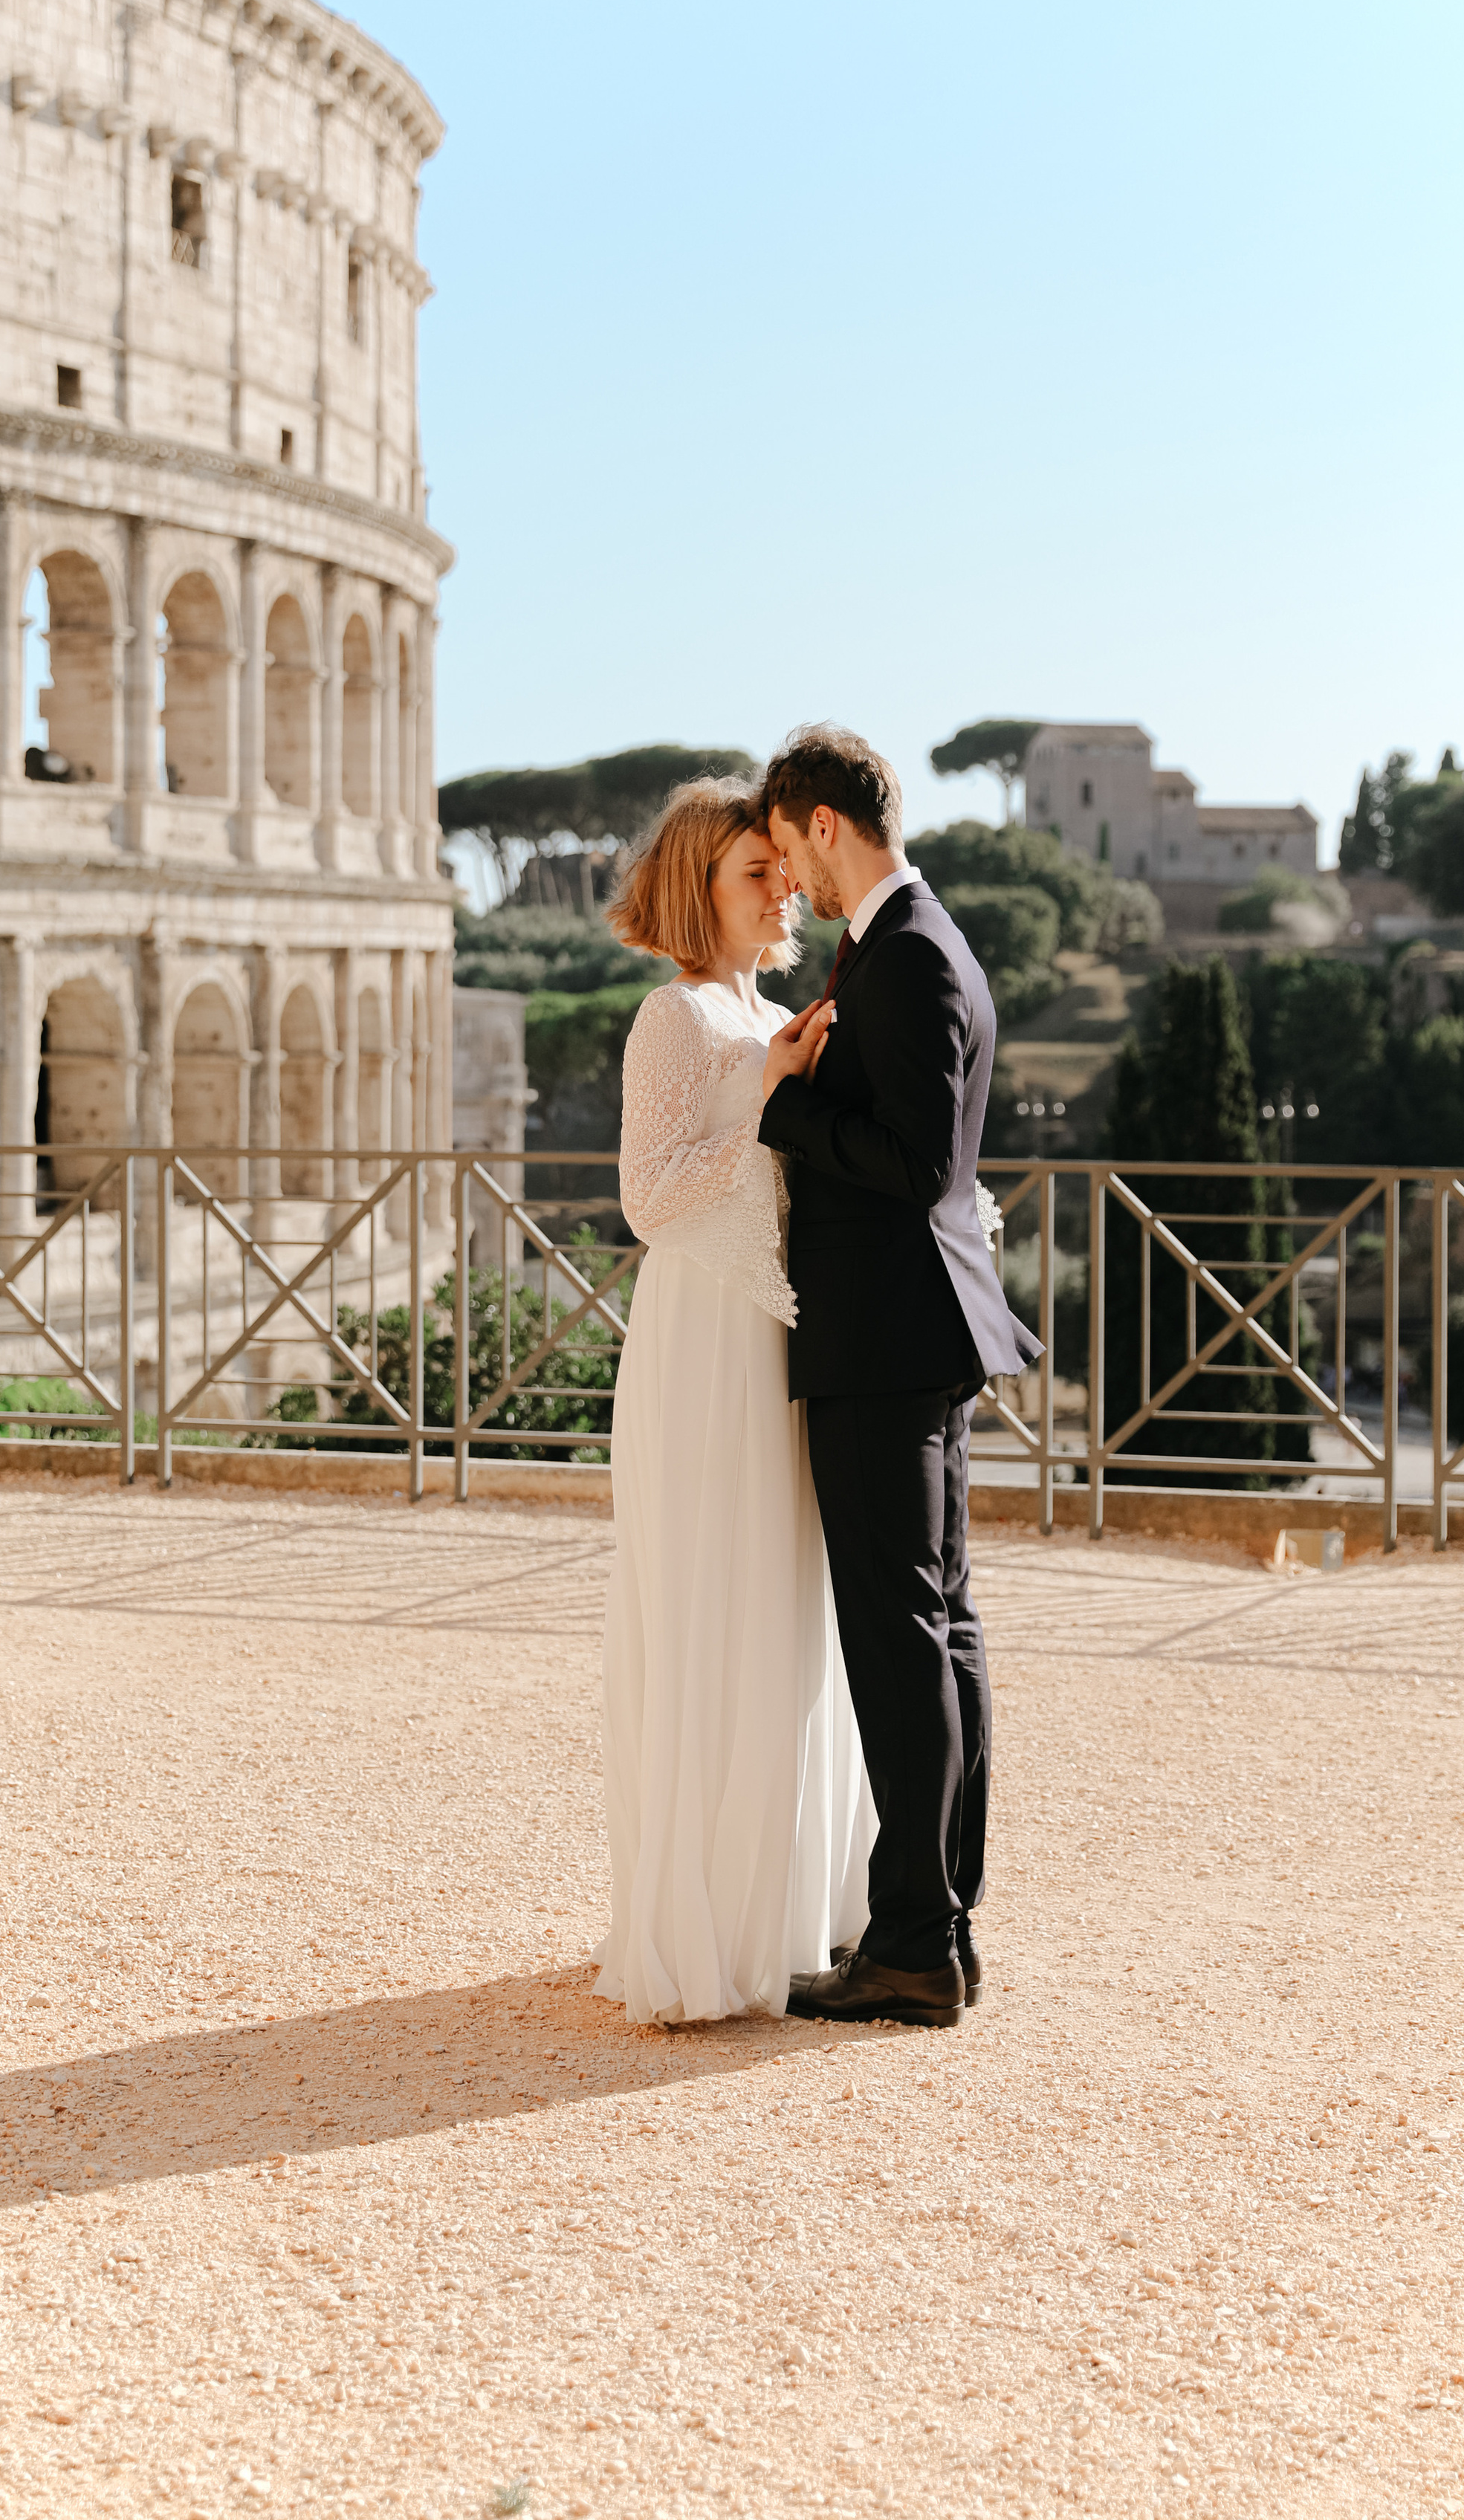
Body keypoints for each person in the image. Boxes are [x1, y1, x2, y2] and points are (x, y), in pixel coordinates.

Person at [758, 724, 1042, 2028]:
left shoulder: (912, 953)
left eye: (788, 849)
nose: (791, 881)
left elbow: (918, 1164)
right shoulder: (916, 941)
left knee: (902, 1638)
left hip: (887, 1337)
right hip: (917, 1334)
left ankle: (917, 1941)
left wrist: (789, 1109)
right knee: (941, 1630)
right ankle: (941, 1923)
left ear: (826, 823)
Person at [594, 778, 874, 2025]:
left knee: (782, 1604)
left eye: (779, 869)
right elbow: (649, 1199)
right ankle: (702, 1933)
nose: (782, 892)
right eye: (754, 874)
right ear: (695, 891)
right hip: (702, 1340)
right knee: (711, 1602)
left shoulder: (763, 1012)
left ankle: (786, 1912)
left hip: (777, 1336)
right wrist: (769, 1092)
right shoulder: (676, 1016)